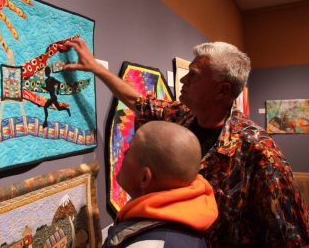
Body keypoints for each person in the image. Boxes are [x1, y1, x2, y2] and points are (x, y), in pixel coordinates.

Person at [64, 38, 309, 247]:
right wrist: (97, 69)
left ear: (222, 90)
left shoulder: (258, 150)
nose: (183, 82)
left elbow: (291, 234)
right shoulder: (182, 116)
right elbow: (139, 102)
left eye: (194, 75)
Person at [102, 121, 218, 248]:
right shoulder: (184, 220)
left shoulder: (148, 245)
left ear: (145, 178)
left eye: (129, 150)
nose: (123, 153)